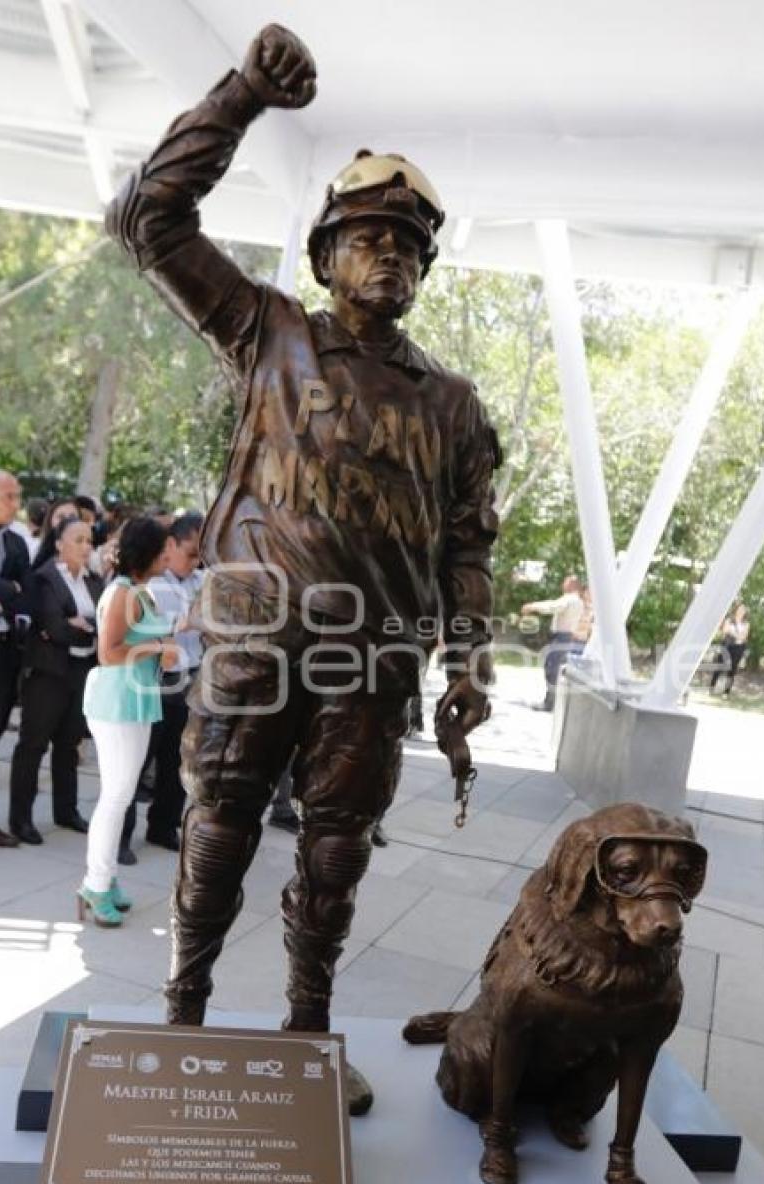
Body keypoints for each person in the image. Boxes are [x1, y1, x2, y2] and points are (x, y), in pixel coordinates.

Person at [107, 22, 499, 1110]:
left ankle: (307, 1030)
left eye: (408, 245)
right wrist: (239, 96)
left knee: (334, 858)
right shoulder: (267, 334)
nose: (389, 257)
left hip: (368, 663)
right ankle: (181, 1013)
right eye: (366, 238)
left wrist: (470, 659)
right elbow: (147, 220)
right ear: (325, 257)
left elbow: (467, 542)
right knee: (217, 835)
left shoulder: (452, 404)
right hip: (257, 638)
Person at [78, 518, 177, 927]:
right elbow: (109, 652)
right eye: (164, 549)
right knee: (116, 796)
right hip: (117, 701)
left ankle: (102, 880)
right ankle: (96, 885)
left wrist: (167, 640)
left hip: (135, 700)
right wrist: (159, 647)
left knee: (121, 794)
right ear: (147, 553)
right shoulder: (122, 592)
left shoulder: (139, 591)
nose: (169, 555)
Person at [8, 517, 104, 843]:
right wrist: (71, 626)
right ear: (59, 544)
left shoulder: (95, 581)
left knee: (69, 744)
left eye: (89, 541)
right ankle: (20, 818)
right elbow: (56, 627)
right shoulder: (44, 578)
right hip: (47, 674)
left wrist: (79, 624)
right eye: (78, 540)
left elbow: (100, 626)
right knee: (33, 746)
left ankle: (67, 811)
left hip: (81, 672)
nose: (85, 546)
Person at [143, 511, 204, 851]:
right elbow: (153, 630)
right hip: (155, 678)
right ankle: (120, 835)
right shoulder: (152, 582)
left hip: (189, 678)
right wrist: (188, 620)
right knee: (141, 758)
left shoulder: (201, 582)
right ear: (171, 544)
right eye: (190, 553)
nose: (195, 562)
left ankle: (163, 825)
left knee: (178, 761)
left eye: (200, 556)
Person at [0, 468, 33, 847]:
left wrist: (5, 592)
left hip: (2, 659)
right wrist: (5, 589)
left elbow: (25, 592)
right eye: (8, 497)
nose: (16, 505)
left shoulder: (16, 544)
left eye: (18, 496)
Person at [521, 574, 583, 710]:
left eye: (565, 582)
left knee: (552, 669)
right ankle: (554, 701)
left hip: (561, 637)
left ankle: (550, 703)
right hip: (566, 637)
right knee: (555, 668)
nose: (563, 585)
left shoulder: (570, 599)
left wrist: (532, 606)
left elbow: (553, 606)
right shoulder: (578, 600)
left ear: (572, 584)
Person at [710, 603, 750, 696]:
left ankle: (726, 692)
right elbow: (724, 631)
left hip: (739, 648)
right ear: (736, 610)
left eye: (743, 610)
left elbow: (744, 637)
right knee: (719, 667)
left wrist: (732, 632)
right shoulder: (729, 620)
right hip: (727, 646)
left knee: (732, 670)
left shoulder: (746, 624)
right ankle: (712, 687)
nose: (741, 611)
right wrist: (737, 635)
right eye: (740, 609)